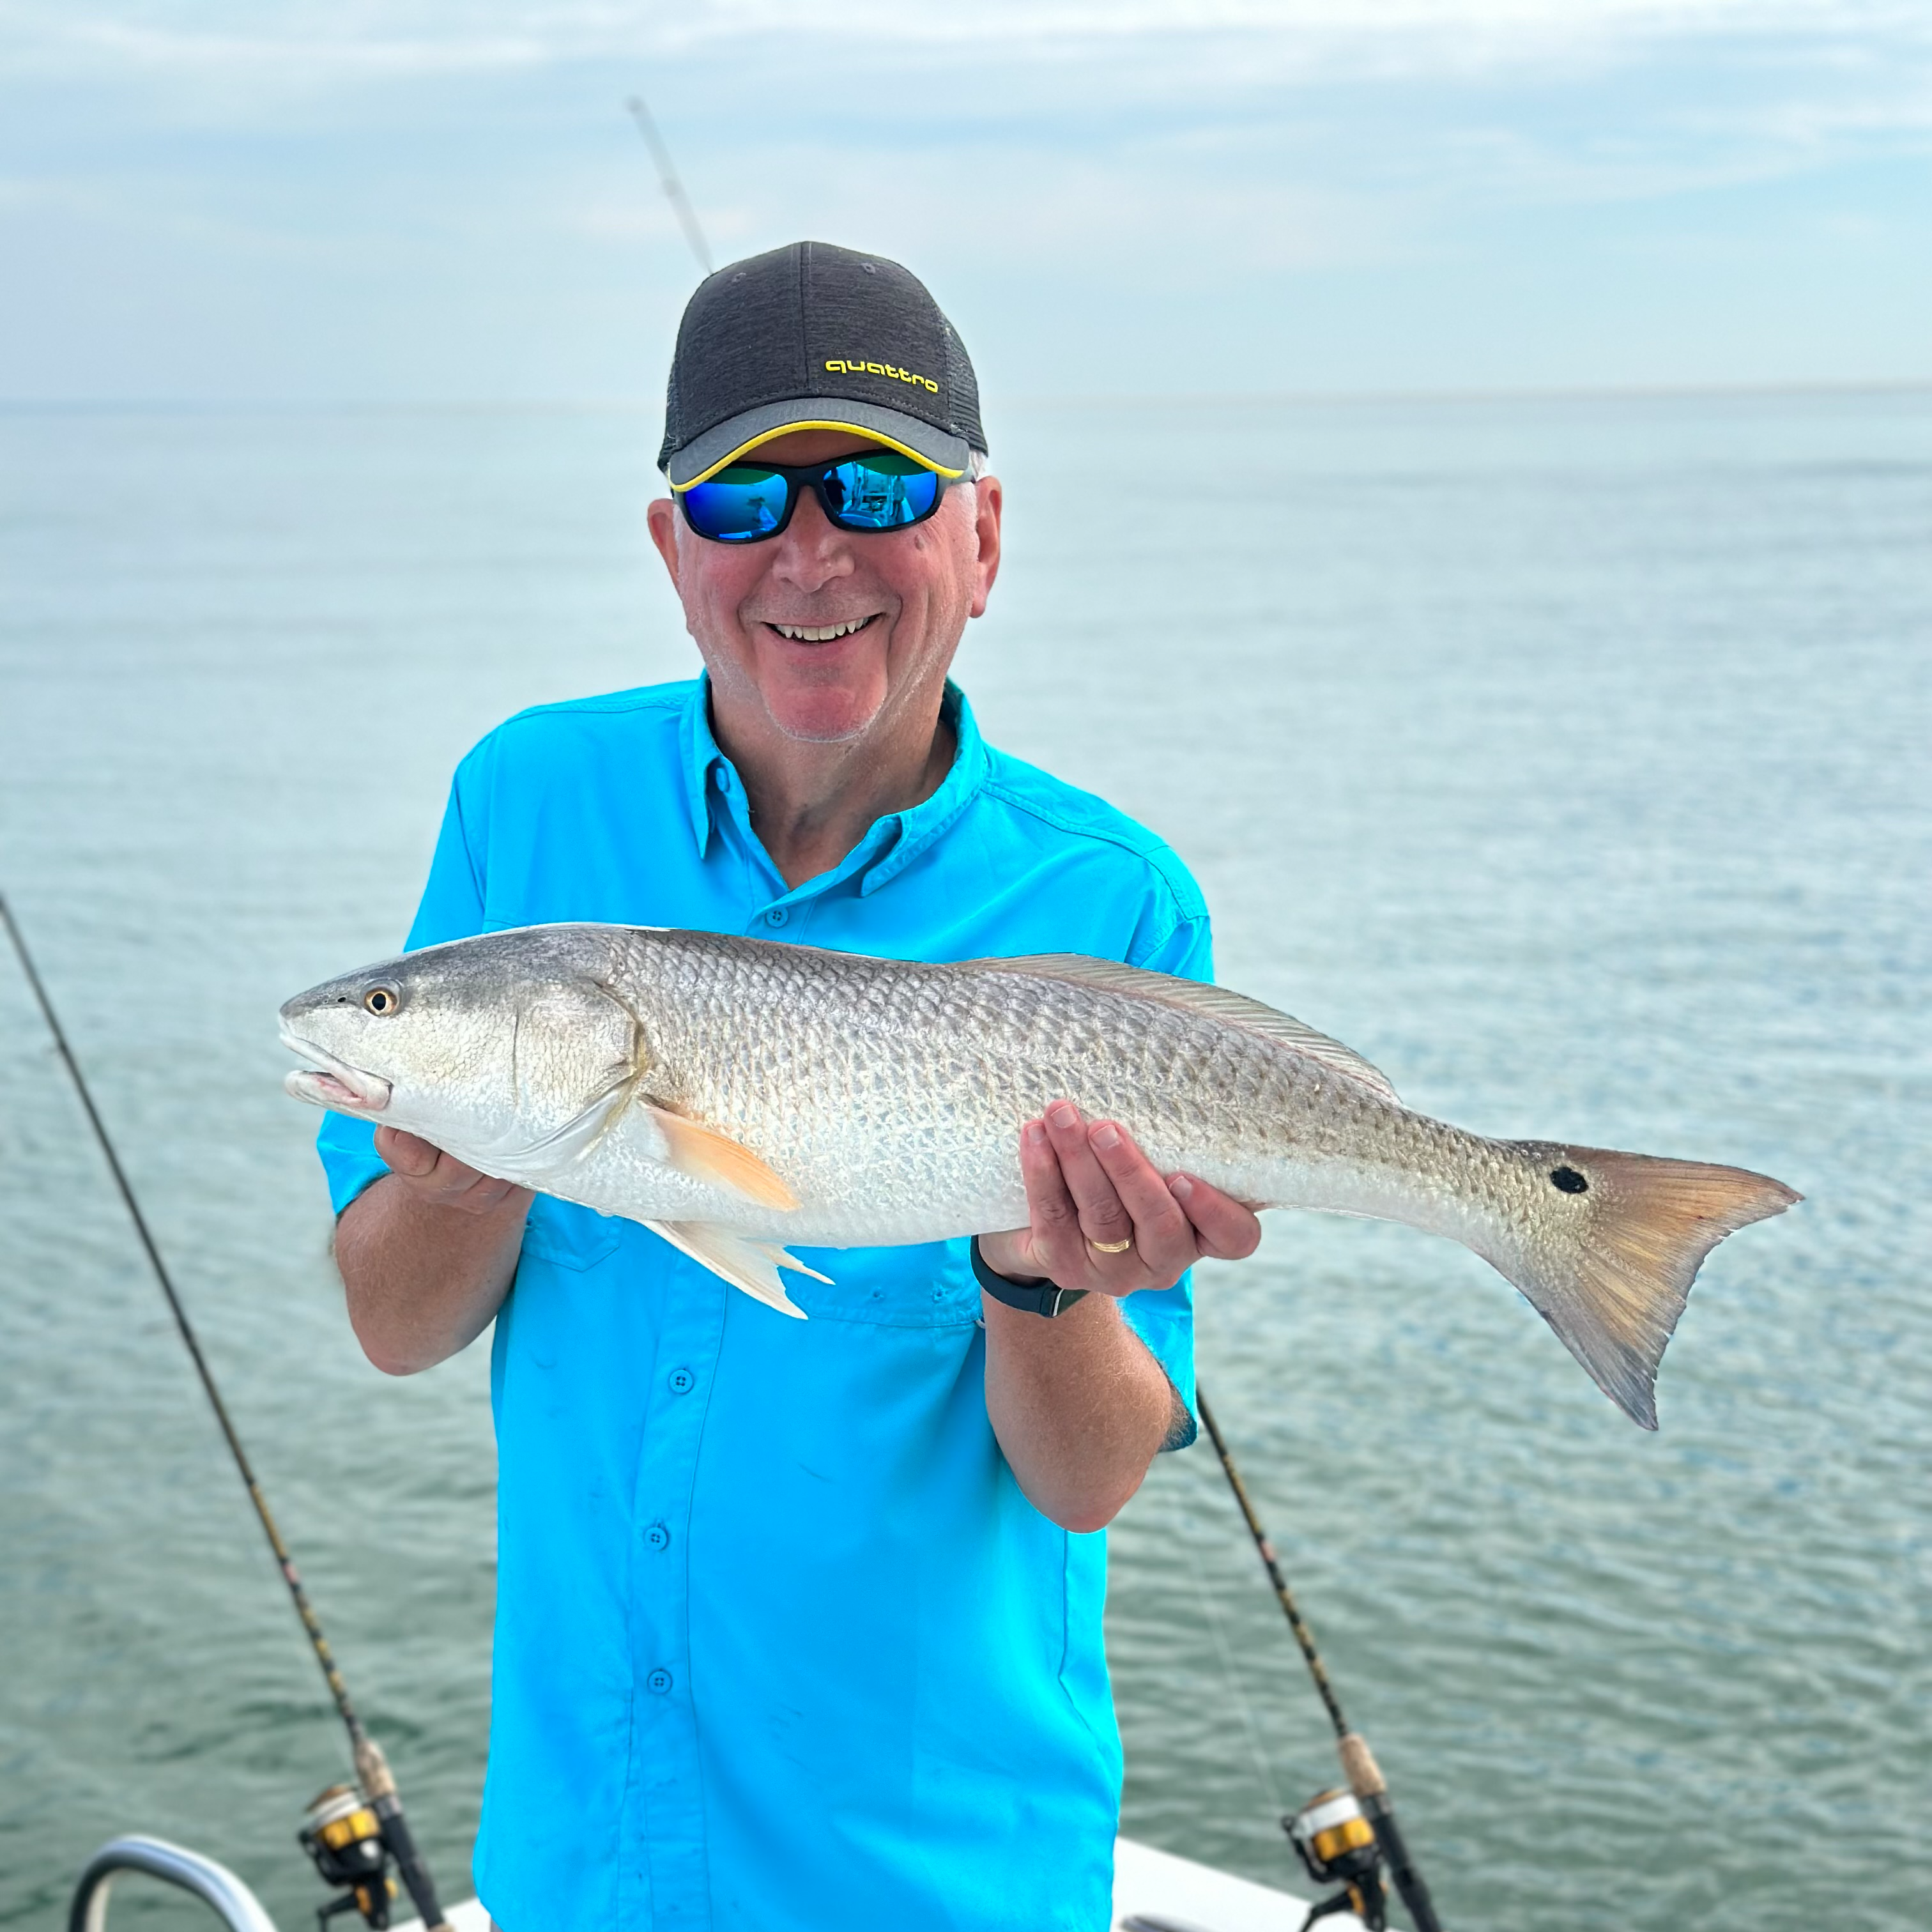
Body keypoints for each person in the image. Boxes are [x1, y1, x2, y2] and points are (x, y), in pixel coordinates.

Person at [318, 240, 1261, 1931]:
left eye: (878, 487)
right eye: (744, 503)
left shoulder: (1111, 900)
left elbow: (1092, 1480)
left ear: (982, 539)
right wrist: (471, 1154)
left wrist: (1038, 1284)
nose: (810, 554)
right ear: (675, 550)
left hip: (938, 1874)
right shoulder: (525, 805)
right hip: (581, 1862)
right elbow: (395, 1323)